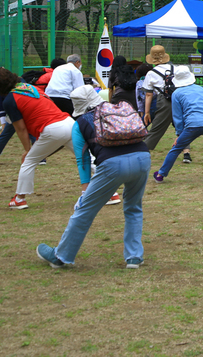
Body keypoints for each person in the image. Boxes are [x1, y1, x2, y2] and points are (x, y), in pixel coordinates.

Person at [35, 86, 151, 269]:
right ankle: (134, 257)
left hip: (112, 165)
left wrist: (84, 189)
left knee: (84, 210)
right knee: (134, 208)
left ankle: (61, 256)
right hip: (142, 158)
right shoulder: (118, 110)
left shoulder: (80, 123)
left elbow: (83, 160)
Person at [1, 68, 77, 210]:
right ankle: (110, 193)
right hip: (69, 123)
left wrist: (26, 150)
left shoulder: (9, 100)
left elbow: (21, 129)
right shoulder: (29, 87)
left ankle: (19, 199)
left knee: (28, 161)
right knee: (86, 158)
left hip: (53, 129)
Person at [153, 67, 203, 183]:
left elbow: (178, 116)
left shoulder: (176, 93)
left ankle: (161, 174)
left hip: (193, 124)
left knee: (176, 148)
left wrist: (179, 134)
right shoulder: (200, 89)